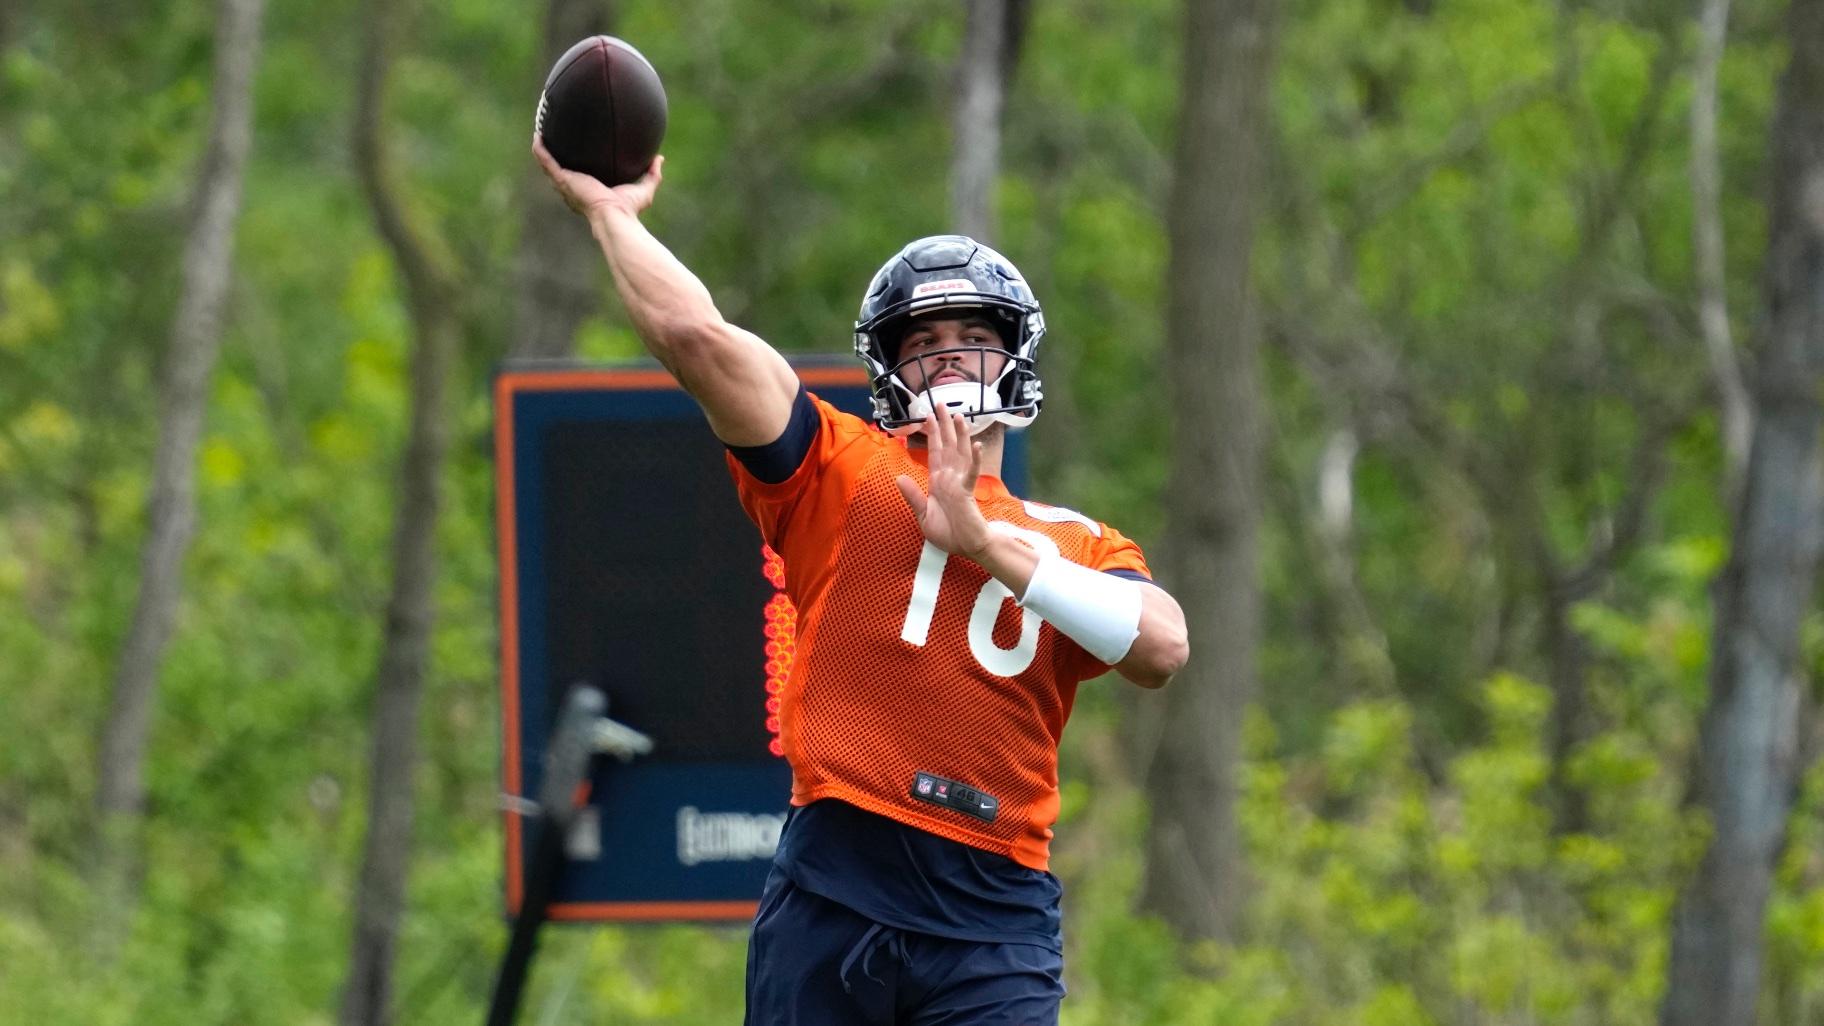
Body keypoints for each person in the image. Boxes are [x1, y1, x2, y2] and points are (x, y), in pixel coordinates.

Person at [535, 139, 1189, 1026]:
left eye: (973, 339)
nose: (950, 359)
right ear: (889, 367)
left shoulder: (1073, 539)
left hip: (993, 907)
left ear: (1017, 360)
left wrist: (985, 544)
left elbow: (1161, 646)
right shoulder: (844, 467)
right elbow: (699, 339)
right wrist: (612, 213)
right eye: (924, 343)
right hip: (838, 877)